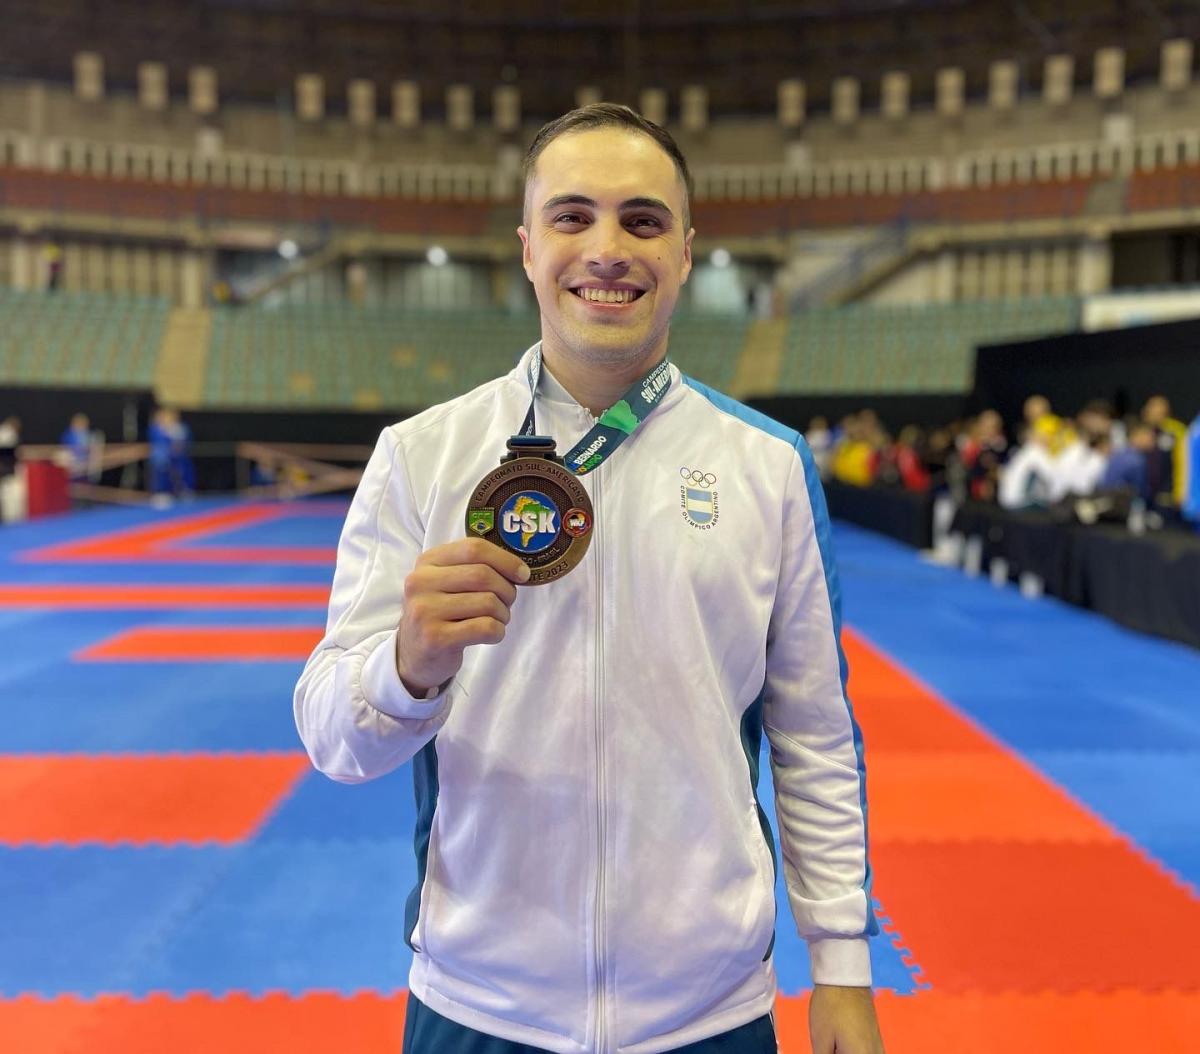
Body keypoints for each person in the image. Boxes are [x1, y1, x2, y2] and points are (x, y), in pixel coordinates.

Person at [294, 103, 884, 1054]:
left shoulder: (766, 468)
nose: (606, 249)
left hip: (710, 1011)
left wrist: (843, 968)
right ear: (527, 247)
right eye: (572, 218)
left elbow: (813, 731)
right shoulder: (422, 456)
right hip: (478, 1003)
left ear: (686, 252)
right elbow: (332, 739)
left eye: (642, 221)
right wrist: (403, 668)